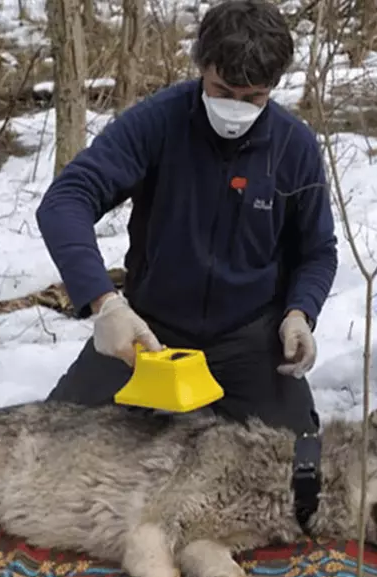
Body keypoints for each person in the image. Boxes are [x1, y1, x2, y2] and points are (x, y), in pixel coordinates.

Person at [36, 0, 338, 437]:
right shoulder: (158, 122)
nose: (236, 107)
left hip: (249, 338)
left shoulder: (295, 147)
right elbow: (66, 199)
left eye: (253, 97)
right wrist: (105, 304)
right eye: (222, 91)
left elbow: (317, 251)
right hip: (150, 333)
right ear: (202, 68)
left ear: (274, 86)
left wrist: (299, 313)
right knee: (53, 442)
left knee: (296, 461)